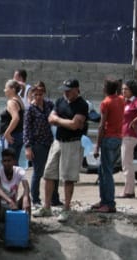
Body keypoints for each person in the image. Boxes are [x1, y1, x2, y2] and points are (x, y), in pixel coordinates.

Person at [40, 78, 89, 222]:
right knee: (49, 173)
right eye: (65, 90)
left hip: (72, 143)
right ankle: (46, 207)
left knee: (68, 177)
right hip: (58, 141)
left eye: (69, 90)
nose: (66, 93)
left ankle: (67, 208)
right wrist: (64, 121)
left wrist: (58, 120)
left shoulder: (82, 105)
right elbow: (50, 118)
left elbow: (75, 125)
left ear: (76, 90)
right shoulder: (60, 101)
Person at [22, 81, 59, 208]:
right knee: (38, 171)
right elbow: (26, 129)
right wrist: (28, 147)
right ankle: (36, 199)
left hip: (49, 141)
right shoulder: (30, 109)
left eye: (40, 94)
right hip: (37, 144)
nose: (38, 97)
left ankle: (55, 198)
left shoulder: (49, 105)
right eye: (35, 94)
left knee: (53, 171)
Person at [92, 79, 124, 213]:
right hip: (118, 138)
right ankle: (104, 200)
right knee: (103, 171)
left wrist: (97, 146)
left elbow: (101, 125)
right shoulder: (121, 100)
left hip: (108, 139)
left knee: (107, 173)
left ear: (105, 89)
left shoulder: (106, 103)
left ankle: (109, 203)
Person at [0, 148, 31, 215]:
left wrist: (25, 199)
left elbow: (26, 186)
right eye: (4, 161)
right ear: (1, 162)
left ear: (14, 161)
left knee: (27, 197)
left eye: (9, 161)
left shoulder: (19, 171)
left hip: (15, 205)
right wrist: (9, 201)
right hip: (1, 206)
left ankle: (26, 223)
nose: (6, 163)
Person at [0, 80, 24, 157]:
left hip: (11, 137)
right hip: (18, 135)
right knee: (14, 161)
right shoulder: (19, 99)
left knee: (8, 162)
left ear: (13, 89)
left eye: (6, 88)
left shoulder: (11, 102)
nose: (4, 90)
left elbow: (16, 118)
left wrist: (7, 133)